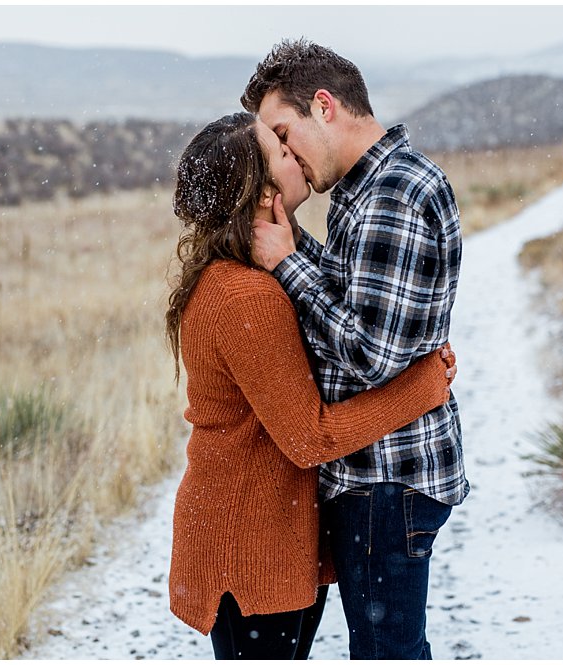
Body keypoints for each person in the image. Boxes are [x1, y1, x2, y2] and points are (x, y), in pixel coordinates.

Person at [165, 112, 457, 660]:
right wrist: (421, 388)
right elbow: (310, 438)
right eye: (278, 149)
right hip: (249, 540)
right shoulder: (246, 297)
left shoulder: (246, 277)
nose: (293, 151)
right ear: (259, 193)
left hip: (264, 533)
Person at [241, 39, 470, 660]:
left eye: (285, 134)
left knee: (386, 651)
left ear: (325, 106)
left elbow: (366, 352)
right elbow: (352, 298)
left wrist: (287, 262)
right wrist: (293, 246)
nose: (284, 156)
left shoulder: (391, 194)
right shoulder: (370, 191)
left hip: (384, 479)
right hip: (383, 477)